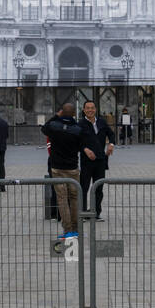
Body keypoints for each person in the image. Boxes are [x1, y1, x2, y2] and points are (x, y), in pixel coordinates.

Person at [42, 103, 83, 237]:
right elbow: (80, 146)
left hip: (57, 168)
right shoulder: (78, 129)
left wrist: (55, 117)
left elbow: (44, 128)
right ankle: (76, 229)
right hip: (72, 168)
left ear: (61, 112)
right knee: (74, 198)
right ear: (73, 114)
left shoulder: (54, 126)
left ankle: (67, 230)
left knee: (62, 199)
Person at [78, 100, 115, 221]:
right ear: (84, 110)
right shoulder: (80, 124)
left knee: (99, 188)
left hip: (100, 161)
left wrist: (111, 144)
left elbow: (112, 135)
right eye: (87, 108)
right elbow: (75, 141)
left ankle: (96, 213)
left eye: (92, 108)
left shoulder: (102, 122)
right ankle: (83, 213)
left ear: (95, 109)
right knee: (83, 187)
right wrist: (84, 149)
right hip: (86, 161)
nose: (90, 110)